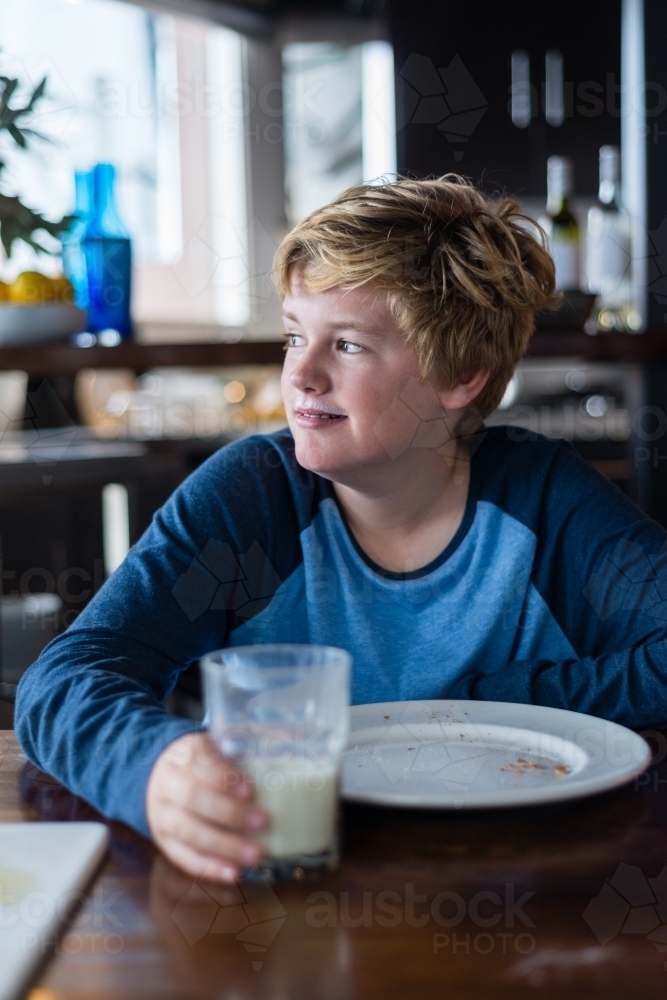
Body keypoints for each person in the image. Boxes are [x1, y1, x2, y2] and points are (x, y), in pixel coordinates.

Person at [15, 175, 667, 883]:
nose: (301, 375)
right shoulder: (252, 501)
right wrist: (150, 767)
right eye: (296, 335)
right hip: (276, 874)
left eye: (349, 345)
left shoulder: (543, 504)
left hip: (521, 881)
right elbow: (68, 677)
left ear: (462, 376)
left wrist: (497, 704)